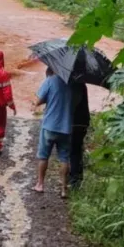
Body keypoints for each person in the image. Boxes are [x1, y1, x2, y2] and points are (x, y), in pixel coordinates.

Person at [32, 67, 73, 198]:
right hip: (66, 127)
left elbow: (38, 101)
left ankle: (40, 184)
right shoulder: (72, 83)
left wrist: (37, 102)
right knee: (64, 158)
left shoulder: (50, 80)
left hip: (49, 126)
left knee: (43, 156)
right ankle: (63, 189)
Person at [69, 79, 90, 189]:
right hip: (83, 121)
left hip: (74, 123)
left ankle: (74, 180)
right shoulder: (82, 84)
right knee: (77, 149)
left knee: (73, 151)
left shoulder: (72, 85)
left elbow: (72, 104)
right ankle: (77, 177)